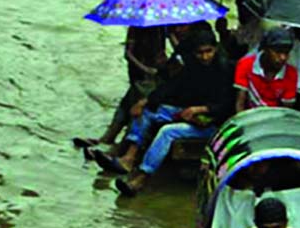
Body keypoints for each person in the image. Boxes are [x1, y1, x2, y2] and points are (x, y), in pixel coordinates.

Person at [93, 28, 234, 195]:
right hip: (189, 115)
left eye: (208, 51)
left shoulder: (226, 69)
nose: (205, 57)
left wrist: (200, 109)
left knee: (167, 132)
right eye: (200, 53)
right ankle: (130, 156)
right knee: (147, 110)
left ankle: (142, 178)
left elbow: (227, 104)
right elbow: (172, 87)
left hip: (212, 124)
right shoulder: (193, 66)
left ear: (215, 48)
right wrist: (145, 101)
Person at [72, 26, 167, 154]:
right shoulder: (136, 27)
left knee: (134, 107)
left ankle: (121, 145)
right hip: (140, 74)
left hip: (151, 77)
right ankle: (108, 139)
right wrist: (146, 69)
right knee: (128, 104)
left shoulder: (162, 28)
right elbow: (128, 53)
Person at [234, 28, 298, 111]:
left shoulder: (291, 73)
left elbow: (286, 111)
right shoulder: (245, 64)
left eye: (286, 53)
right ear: (265, 49)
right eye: (278, 52)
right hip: (249, 116)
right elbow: (240, 103)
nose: (283, 57)